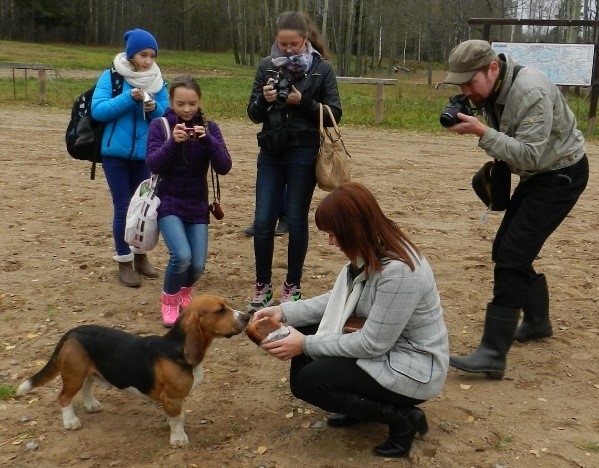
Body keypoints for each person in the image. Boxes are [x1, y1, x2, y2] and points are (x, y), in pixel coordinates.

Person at [251, 182, 449, 458]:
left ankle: (402, 419)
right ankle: (359, 407)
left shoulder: (400, 272)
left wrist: (305, 344)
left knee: (309, 381)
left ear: (353, 229)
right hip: (386, 346)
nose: (330, 242)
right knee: (303, 340)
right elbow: (339, 299)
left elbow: (372, 345)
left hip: (414, 366)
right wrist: (284, 312)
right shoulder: (374, 248)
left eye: (333, 234)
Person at [442, 40, 589, 379]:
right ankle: (538, 322)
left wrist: (482, 132)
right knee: (506, 249)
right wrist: (470, 106)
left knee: (511, 256)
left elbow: (529, 155)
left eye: (470, 82)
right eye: (459, 84)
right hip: (541, 175)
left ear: (493, 68)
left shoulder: (529, 92)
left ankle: (493, 353)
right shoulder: (493, 88)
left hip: (561, 174)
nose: (466, 90)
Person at [246, 11, 342, 311]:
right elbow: (252, 113)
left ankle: (293, 286)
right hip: (271, 151)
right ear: (277, 39)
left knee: (297, 221)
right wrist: (265, 99)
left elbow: (334, 114)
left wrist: (304, 103)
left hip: (304, 151)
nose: (288, 50)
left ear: (306, 39)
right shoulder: (266, 66)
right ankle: (262, 285)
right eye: (283, 44)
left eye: (294, 44)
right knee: (263, 221)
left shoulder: (321, 69)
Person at [146, 75, 232, 326]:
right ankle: (169, 300)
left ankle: (184, 292)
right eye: (180, 103)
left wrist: (208, 140)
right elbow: (152, 163)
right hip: (168, 201)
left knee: (197, 265)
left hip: (197, 203)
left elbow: (225, 166)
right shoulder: (160, 126)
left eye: (192, 104)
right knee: (181, 256)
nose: (186, 109)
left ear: (199, 101)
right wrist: (173, 141)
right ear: (171, 101)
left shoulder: (210, 128)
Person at [91, 28, 169, 288]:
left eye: (152, 55)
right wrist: (128, 98)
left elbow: (168, 114)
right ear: (131, 54)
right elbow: (99, 110)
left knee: (145, 207)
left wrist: (154, 107)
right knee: (123, 206)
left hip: (146, 154)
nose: (148, 61)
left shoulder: (157, 80)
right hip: (115, 154)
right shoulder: (111, 76)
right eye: (143, 54)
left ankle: (140, 255)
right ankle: (123, 261)